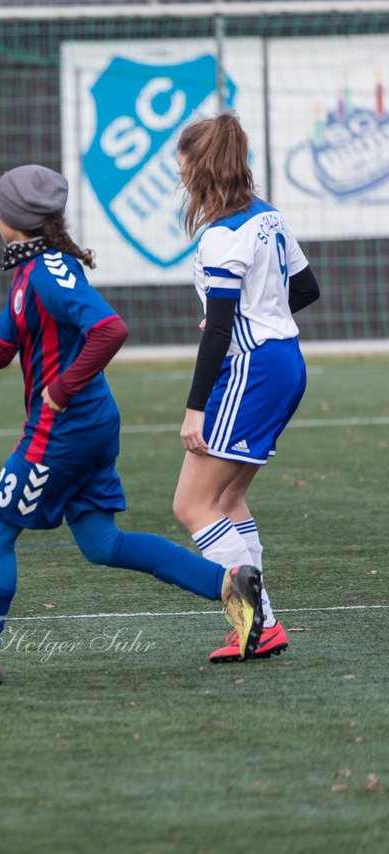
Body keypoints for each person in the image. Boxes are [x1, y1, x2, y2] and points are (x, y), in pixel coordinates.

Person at [0, 164, 262, 689]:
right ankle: (228, 583)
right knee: (102, 544)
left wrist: (63, 387)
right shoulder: (36, 271)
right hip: (91, 425)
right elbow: (3, 346)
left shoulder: (46, 274)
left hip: (64, 430)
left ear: (8, 219)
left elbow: (110, 329)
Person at [172, 113, 321, 663]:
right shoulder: (268, 218)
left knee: (191, 504)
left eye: (182, 168)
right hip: (285, 362)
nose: (181, 178)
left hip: (253, 370)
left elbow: (216, 331)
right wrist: (245, 315)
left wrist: (194, 409)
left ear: (199, 168)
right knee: (228, 497)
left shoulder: (220, 235)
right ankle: (259, 625)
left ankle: (259, 622)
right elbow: (306, 287)